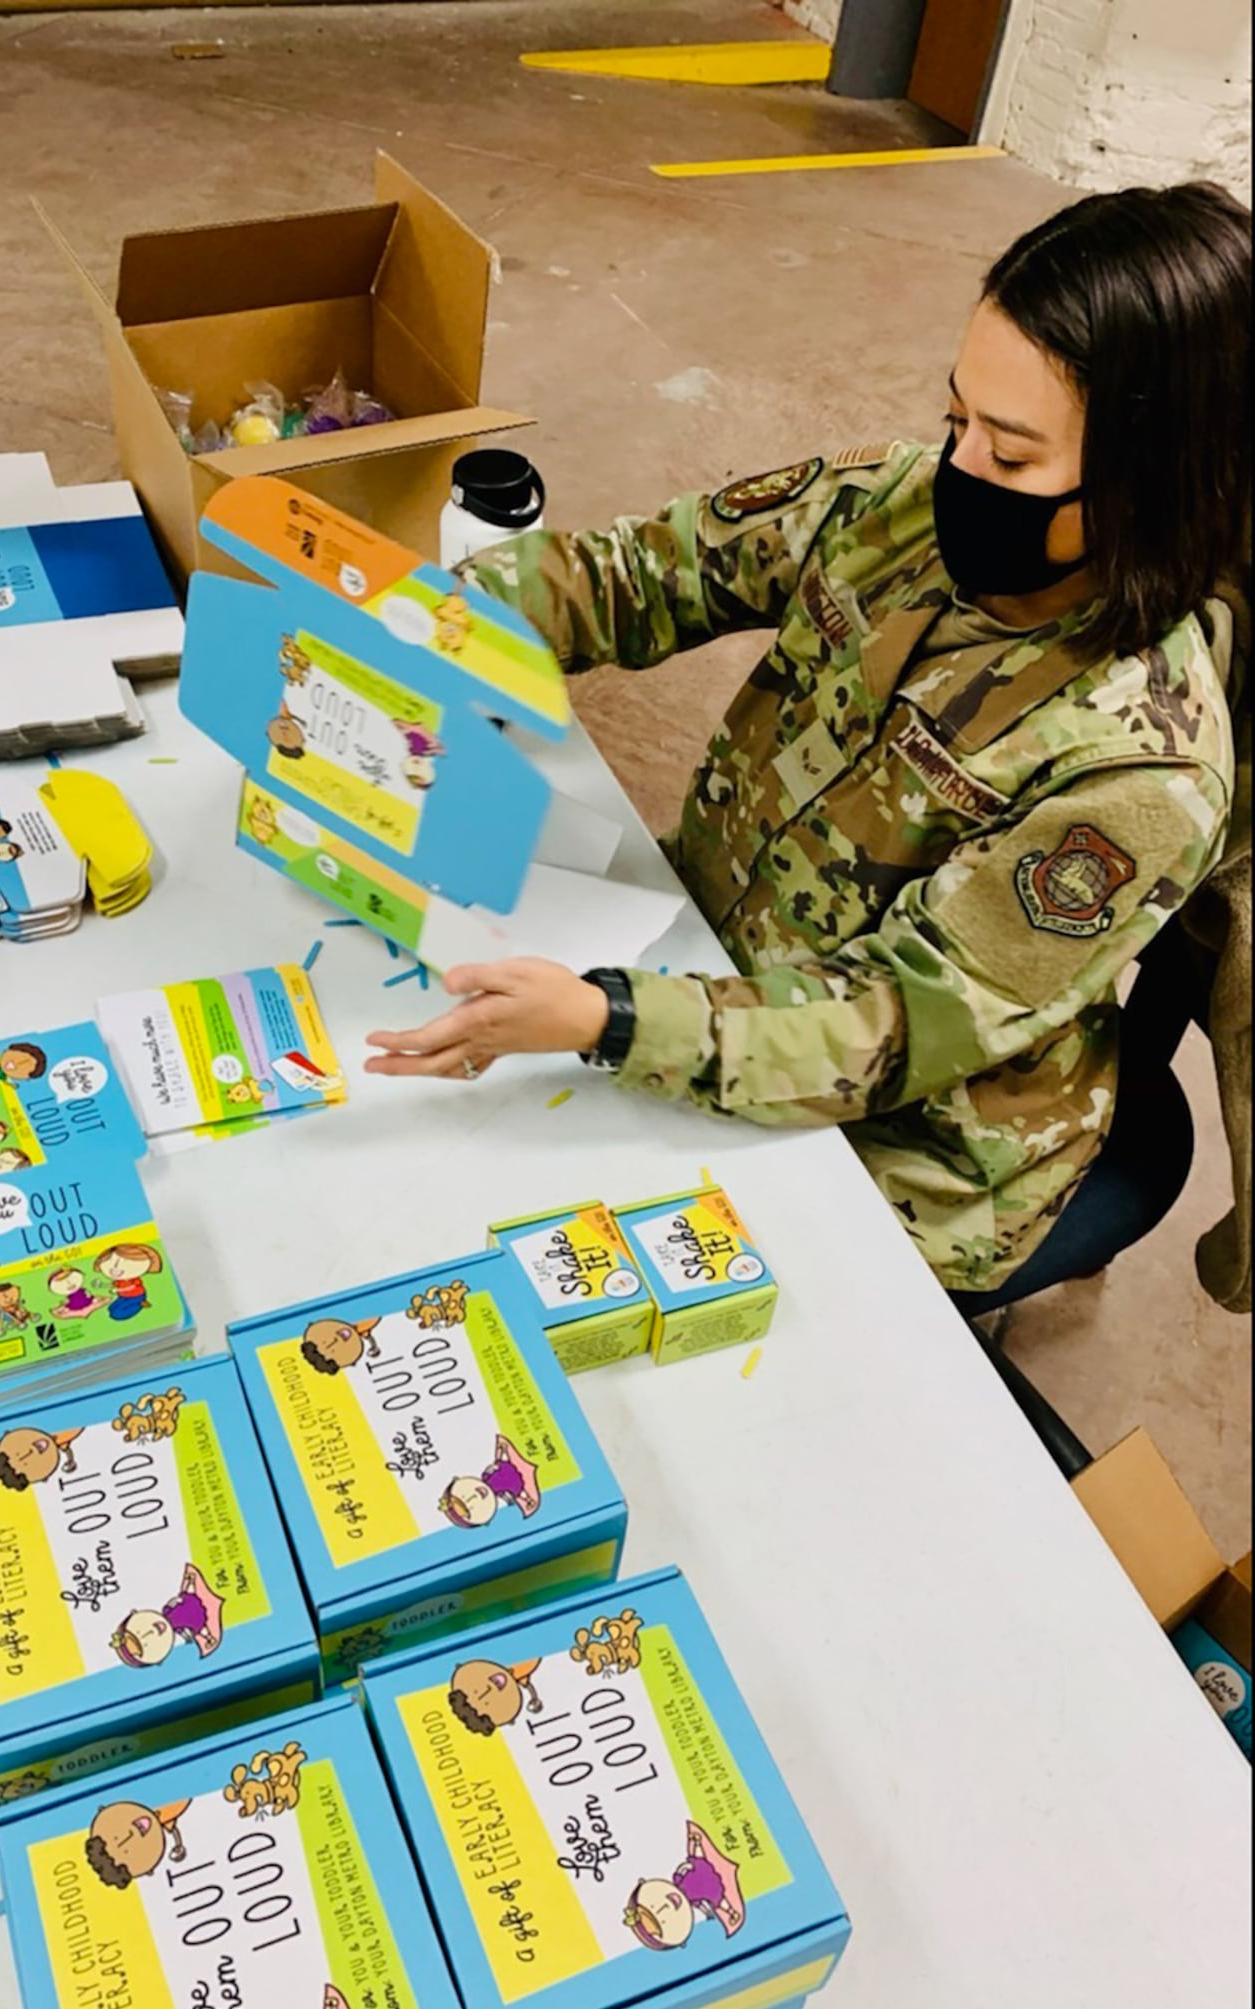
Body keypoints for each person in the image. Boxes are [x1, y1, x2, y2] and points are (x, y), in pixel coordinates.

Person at [366, 184, 1250, 1310]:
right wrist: (426, 624)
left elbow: (889, 1023)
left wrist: (609, 1019)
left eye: (1014, 457)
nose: (960, 472)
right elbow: (644, 575)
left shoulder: (1140, 772)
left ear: (1155, 485)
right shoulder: (889, 505)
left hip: (904, 1145)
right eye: (956, 419)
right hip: (710, 952)